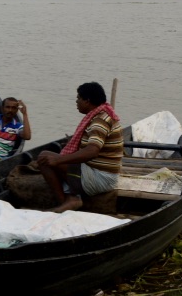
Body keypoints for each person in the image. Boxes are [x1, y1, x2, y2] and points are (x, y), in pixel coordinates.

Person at [36, 82, 123, 213]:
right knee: (48, 155)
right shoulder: (101, 115)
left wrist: (58, 160)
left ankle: (68, 202)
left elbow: (92, 151)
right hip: (101, 173)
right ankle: (70, 198)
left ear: (87, 101)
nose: (76, 102)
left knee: (44, 159)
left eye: (78, 98)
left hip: (101, 177)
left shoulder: (100, 121)